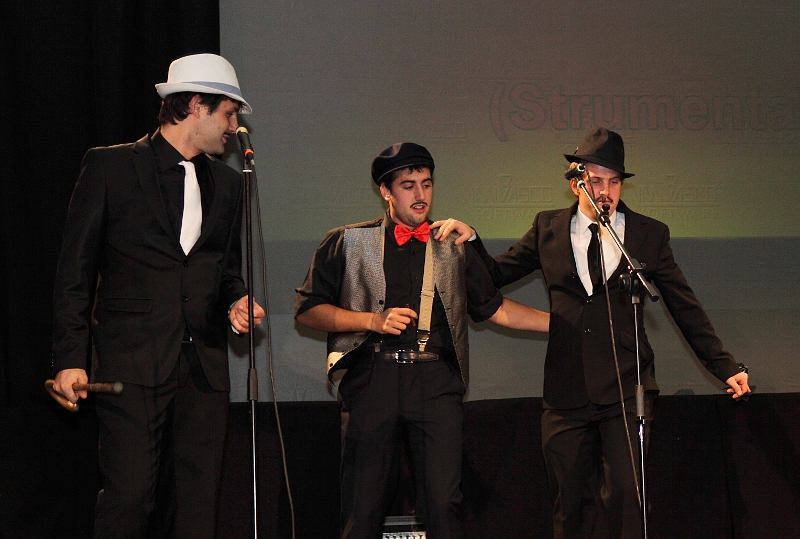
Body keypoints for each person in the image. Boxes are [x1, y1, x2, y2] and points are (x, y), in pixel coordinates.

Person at [437, 128, 751, 539]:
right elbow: (497, 274)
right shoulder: (548, 227)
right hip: (565, 389)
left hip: (625, 384)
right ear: (576, 183)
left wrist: (724, 365)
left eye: (614, 182)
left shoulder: (646, 234)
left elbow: (683, 305)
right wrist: (473, 240)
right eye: (597, 181)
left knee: (626, 497)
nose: (605, 191)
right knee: (568, 504)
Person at [51, 53, 265, 538]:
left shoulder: (228, 184)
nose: (234, 127)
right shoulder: (109, 166)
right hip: (130, 362)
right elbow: (74, 273)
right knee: (129, 499)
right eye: (229, 113)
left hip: (203, 367)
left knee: (197, 508)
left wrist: (236, 301)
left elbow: (225, 270)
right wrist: (69, 359)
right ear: (196, 105)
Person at [295, 142, 549, 539]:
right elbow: (308, 310)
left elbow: (495, 308)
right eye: (408, 185)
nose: (420, 195)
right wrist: (372, 321)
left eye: (427, 184)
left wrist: (561, 324)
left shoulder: (454, 246)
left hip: (435, 382)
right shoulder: (347, 241)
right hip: (372, 378)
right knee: (362, 507)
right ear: (386, 191)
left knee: (444, 504)